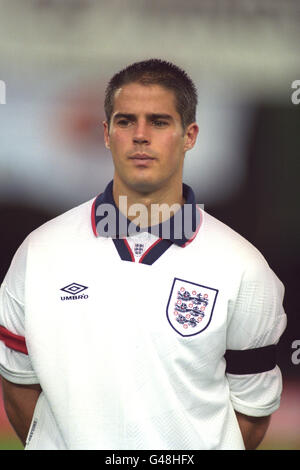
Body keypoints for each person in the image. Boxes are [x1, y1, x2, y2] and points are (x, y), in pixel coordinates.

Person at [0, 59, 287, 450]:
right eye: (124, 121)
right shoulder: (39, 252)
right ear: (106, 133)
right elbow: (18, 381)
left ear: (190, 135)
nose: (140, 136)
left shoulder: (243, 267)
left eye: (159, 121)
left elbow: (251, 411)